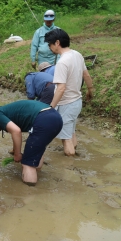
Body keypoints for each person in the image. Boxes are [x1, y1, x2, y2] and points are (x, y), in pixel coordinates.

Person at [44, 28, 94, 156]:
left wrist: (51, 108)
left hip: (66, 104)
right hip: (77, 101)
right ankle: (74, 151)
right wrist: (90, 90)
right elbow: (86, 75)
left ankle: (70, 166)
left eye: (49, 44)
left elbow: (61, 88)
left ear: (57, 43)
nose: (49, 47)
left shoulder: (62, 62)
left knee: (66, 139)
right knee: (71, 132)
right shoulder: (77, 54)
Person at [0, 100, 63, 185]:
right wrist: (14, 150)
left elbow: (16, 131)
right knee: (35, 150)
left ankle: (29, 191)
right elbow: (16, 131)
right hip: (56, 118)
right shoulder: (4, 110)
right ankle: (36, 170)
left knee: (28, 164)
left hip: (43, 119)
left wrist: (17, 154)